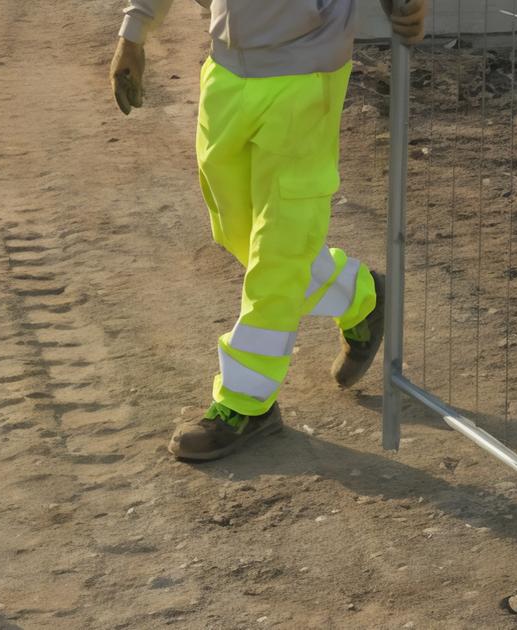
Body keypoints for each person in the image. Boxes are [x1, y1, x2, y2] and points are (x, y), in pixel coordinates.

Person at [110, 0, 426, 461]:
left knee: (279, 252)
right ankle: (358, 295)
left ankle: (245, 402)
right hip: (227, 67)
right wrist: (132, 33)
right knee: (238, 230)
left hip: (307, 74)